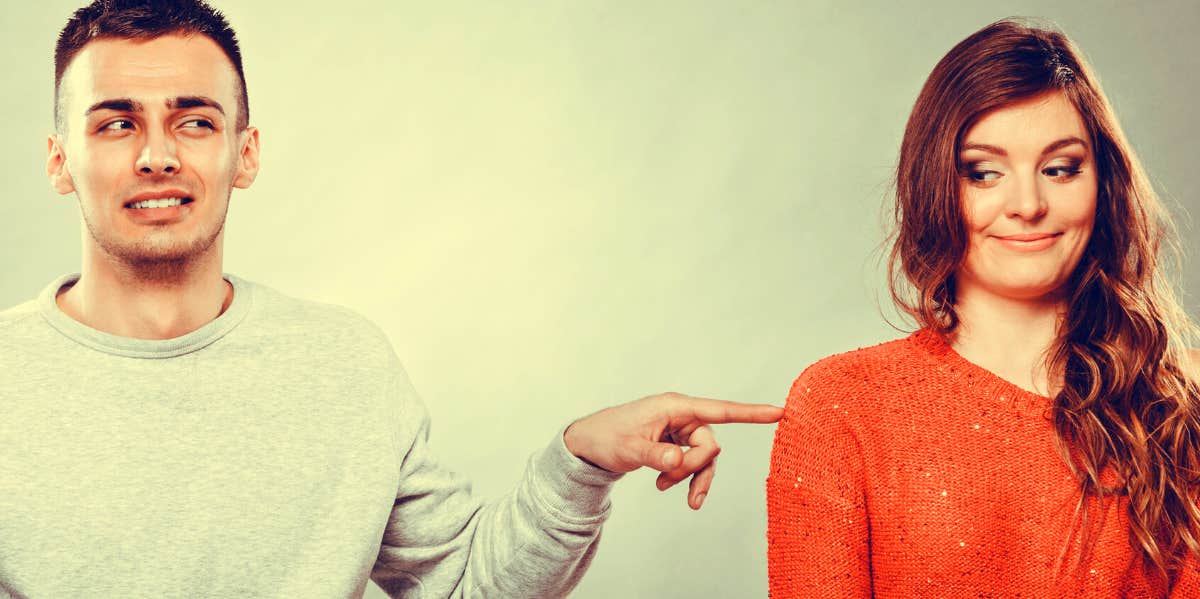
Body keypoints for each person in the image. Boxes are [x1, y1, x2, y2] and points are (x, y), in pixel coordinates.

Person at [0, 1, 783, 597]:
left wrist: (580, 457)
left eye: (194, 120)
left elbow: (463, 584)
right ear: (59, 159)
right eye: (115, 123)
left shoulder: (343, 363)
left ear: (246, 153)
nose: (158, 155)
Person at [766, 18, 1200, 597]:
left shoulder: (1178, 407)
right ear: (935, 186)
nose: (1027, 204)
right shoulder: (842, 407)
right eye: (984, 172)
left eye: (1060, 168)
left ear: (1103, 183)